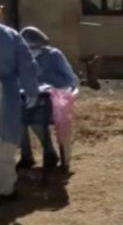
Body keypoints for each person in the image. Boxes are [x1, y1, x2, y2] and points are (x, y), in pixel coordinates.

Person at [18, 27, 78, 171]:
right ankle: (26, 156)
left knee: (36, 119)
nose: (32, 50)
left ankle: (50, 153)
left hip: (53, 101)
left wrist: (50, 83)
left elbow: (70, 80)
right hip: (29, 97)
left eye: (34, 47)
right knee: (17, 119)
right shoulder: (22, 57)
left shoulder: (54, 55)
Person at [0, 23, 38, 202]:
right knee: (5, 143)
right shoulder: (9, 34)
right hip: (4, 92)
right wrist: (31, 90)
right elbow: (26, 63)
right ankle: (6, 189)